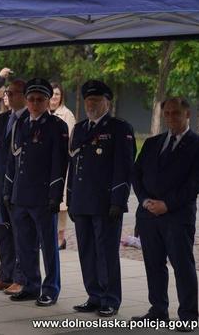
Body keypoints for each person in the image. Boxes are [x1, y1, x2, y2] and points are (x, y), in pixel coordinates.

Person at [131, 97, 199, 331]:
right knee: (154, 265)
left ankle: (189, 316)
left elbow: (194, 184)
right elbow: (136, 174)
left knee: (182, 266)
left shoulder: (198, 145)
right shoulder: (153, 143)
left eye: (176, 113)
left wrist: (167, 205)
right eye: (167, 114)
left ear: (187, 115)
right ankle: (158, 311)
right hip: (148, 216)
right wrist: (144, 200)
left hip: (177, 217)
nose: (171, 118)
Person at [67, 80, 135, 317]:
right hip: (82, 201)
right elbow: (74, 166)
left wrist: (119, 200)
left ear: (107, 102)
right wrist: (70, 198)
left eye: (96, 100)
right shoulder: (80, 128)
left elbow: (124, 168)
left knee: (106, 253)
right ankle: (94, 296)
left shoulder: (119, 128)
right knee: (86, 251)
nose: (91, 104)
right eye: (88, 100)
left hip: (106, 204)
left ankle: (111, 299)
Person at [3, 78, 68, 307]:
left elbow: (59, 164)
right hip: (20, 196)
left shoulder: (56, 127)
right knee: (25, 245)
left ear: (48, 101)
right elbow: (13, 159)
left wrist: (54, 196)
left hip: (43, 198)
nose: (34, 103)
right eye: (31, 99)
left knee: (49, 246)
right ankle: (31, 285)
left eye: (40, 99)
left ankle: (50, 289)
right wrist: (7, 190)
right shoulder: (21, 124)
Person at [0, 79, 28, 295]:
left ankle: (21, 277)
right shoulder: (3, 118)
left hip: (18, 184)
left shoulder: (28, 120)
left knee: (19, 233)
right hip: (0, 180)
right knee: (2, 229)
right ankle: (6, 274)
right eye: (7, 93)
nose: (9, 97)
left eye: (14, 93)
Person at [50, 81, 76, 250]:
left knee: (61, 204)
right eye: (52, 94)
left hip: (61, 162)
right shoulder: (43, 112)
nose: (54, 97)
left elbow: (71, 141)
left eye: (57, 94)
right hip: (45, 165)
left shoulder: (67, 115)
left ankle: (60, 237)